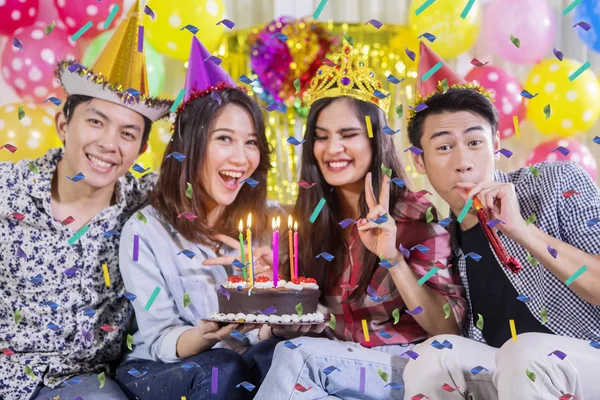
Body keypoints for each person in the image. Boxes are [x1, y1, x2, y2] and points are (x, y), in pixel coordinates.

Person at [255, 40, 466, 400]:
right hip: (332, 367)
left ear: (375, 142)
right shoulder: (309, 222)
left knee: (296, 357)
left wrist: (393, 259)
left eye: (348, 135)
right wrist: (272, 291)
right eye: (321, 138)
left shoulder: (414, 215)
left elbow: (448, 327)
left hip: (405, 365)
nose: (332, 149)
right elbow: (307, 323)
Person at [402, 42, 600, 400]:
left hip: (586, 357)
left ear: (495, 144)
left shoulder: (557, 183)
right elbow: (444, 327)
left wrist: (522, 231)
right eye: (444, 147)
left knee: (524, 353)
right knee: (433, 355)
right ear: (420, 161)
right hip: (510, 372)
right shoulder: (442, 238)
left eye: (474, 142)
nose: (463, 161)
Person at [0, 2, 173, 400]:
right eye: (95, 121)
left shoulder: (149, 204)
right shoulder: (8, 189)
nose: (109, 144)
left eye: (127, 134)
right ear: (64, 123)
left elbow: (215, 192)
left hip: (82, 386)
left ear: (142, 148)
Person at [114, 37, 286, 400]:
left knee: (283, 355)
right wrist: (209, 332)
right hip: (160, 367)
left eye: (251, 142)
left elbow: (259, 337)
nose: (242, 158)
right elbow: (160, 340)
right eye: (225, 138)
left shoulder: (265, 225)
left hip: (234, 360)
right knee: (222, 367)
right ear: (191, 145)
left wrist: (271, 299)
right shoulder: (145, 230)